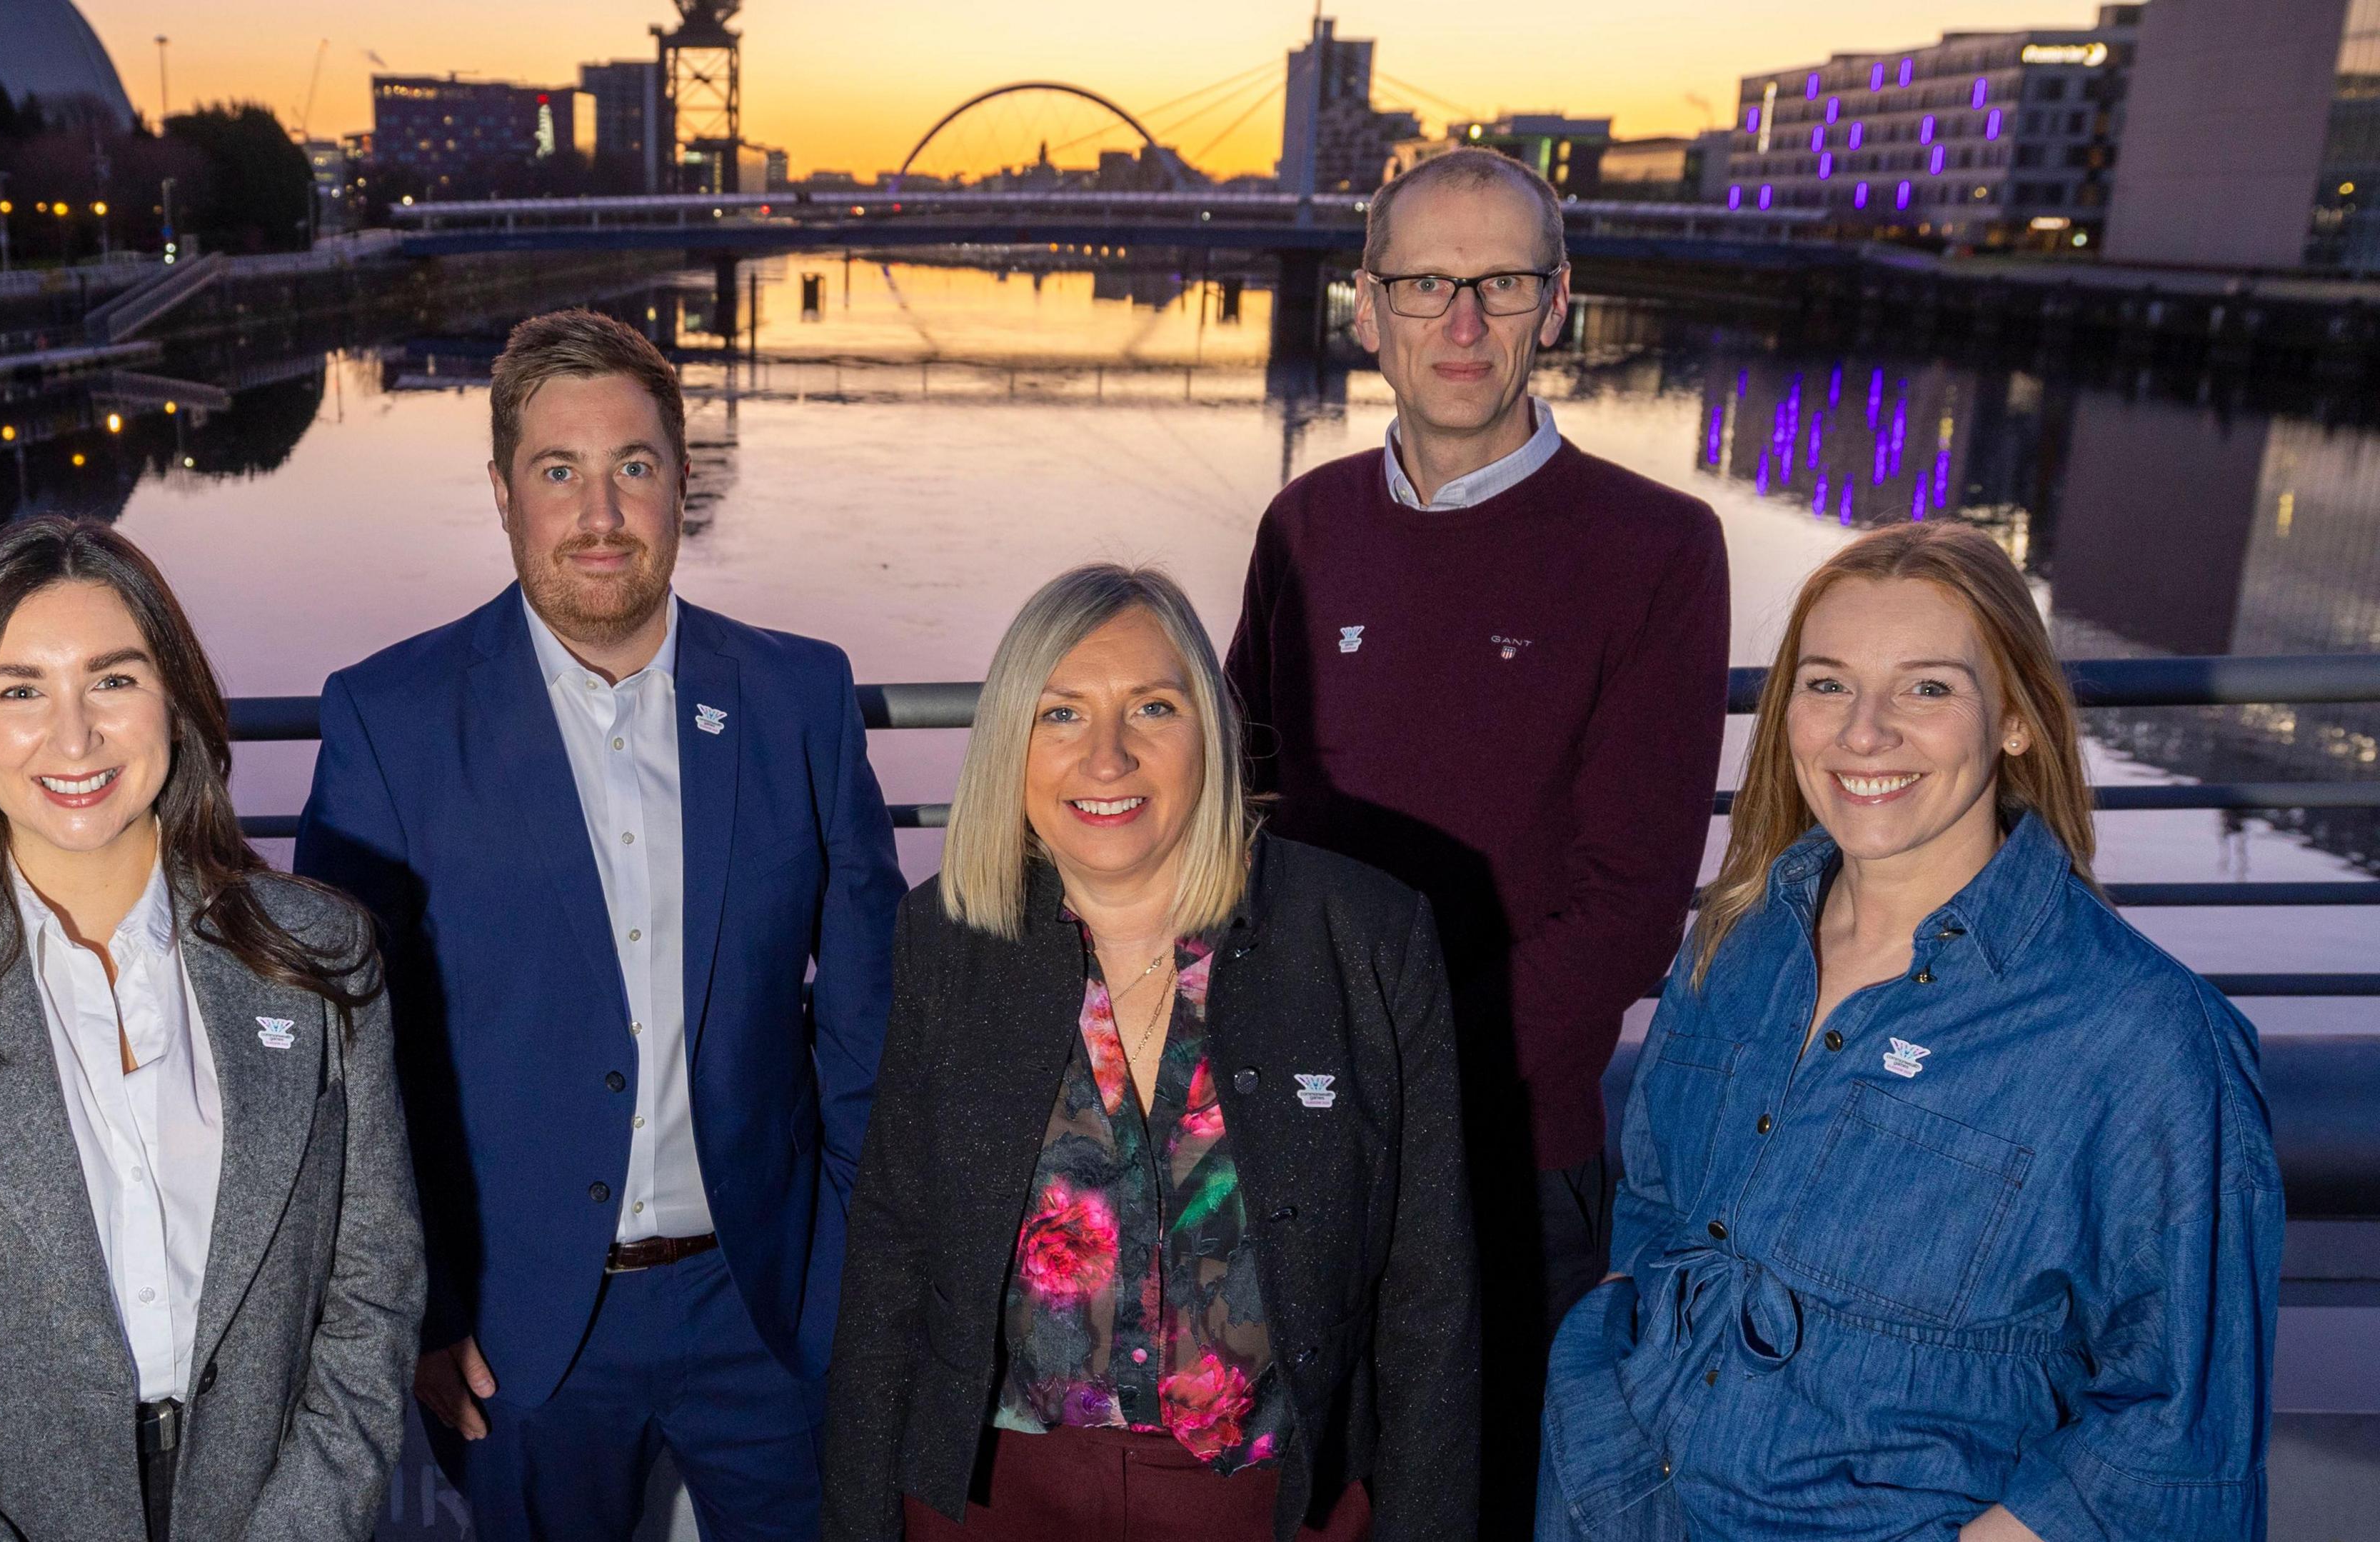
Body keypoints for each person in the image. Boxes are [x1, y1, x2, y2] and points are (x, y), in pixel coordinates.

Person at [1540, 522, 2281, 1542]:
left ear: (2016, 718)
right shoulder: (1740, 941)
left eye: (1927, 688)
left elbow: (2178, 1429)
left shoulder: (2140, 1039)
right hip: (1609, 1499)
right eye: (1828, 684)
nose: (1864, 734)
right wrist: (1607, 1378)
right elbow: (1659, 1198)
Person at [297, 308, 905, 1541]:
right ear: (503, 494)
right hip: (519, 1341)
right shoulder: (392, 721)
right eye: (558, 472)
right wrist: (418, 1312)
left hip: (769, 1311)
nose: (600, 514)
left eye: (634, 466)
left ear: (685, 480)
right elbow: (343, 1058)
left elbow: (864, 1023)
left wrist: (845, 1284)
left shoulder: (799, 696)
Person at [1222, 145, 1731, 1531]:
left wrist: (1403, 1074)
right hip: (1297, 1146)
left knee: (1492, 1503)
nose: (1461, 323)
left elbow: (1631, 906)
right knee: (1305, 1500)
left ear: (1557, 303)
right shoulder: (1303, 529)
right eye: (1425, 284)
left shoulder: (1659, 549)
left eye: (1499, 283)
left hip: (1511, 1155)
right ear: (1367, 308)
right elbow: (1223, 818)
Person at [0, 517, 422, 1542]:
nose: (73, 739)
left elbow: (372, 1299)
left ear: (174, 702)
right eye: (20, 690)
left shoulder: (319, 960)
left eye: (112, 681)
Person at [824, 564, 1479, 1542]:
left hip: (1269, 1501)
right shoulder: (946, 940)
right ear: (1012, 742)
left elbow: (1431, 1298)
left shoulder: (1365, 936)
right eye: (1062, 716)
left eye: (1153, 708)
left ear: (1211, 731)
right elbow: (890, 1257)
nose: (1107, 757)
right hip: (994, 1495)